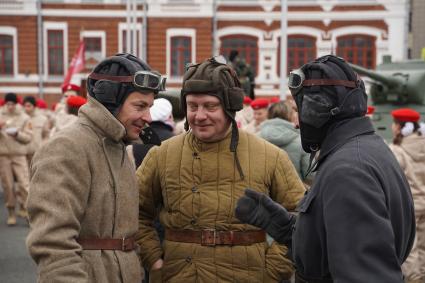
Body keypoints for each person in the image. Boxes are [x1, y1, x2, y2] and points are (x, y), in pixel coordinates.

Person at [235, 55, 415, 283]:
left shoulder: (347, 172)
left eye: (300, 109)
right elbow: (338, 248)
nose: (298, 122)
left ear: (317, 110)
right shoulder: (366, 149)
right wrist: (289, 230)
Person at [136, 56, 305, 282]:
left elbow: (301, 219)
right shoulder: (162, 155)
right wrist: (155, 262)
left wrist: (272, 271)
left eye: (210, 106)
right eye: (192, 106)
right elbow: (135, 212)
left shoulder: (270, 156)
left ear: (230, 107)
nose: (200, 115)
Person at [26, 53, 166, 282]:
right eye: (140, 106)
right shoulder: (67, 147)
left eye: (149, 107)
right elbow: (52, 244)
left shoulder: (119, 147)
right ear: (111, 101)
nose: (148, 117)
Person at [389, 108, 425, 283]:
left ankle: (414, 279)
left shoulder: (397, 150)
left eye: (394, 124)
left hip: (411, 204)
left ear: (399, 126)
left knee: (411, 248)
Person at [0, 92, 33, 226]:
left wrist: (17, 134)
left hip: (19, 154)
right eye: (8, 104)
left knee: (24, 184)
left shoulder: (24, 117)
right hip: (4, 155)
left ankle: (28, 212)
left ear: (16, 104)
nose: (10, 106)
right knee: (7, 185)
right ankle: (11, 212)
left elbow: (28, 138)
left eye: (12, 104)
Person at [259, 101, 310, 181]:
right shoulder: (301, 141)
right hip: (294, 190)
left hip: (261, 190)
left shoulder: (256, 137)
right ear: (290, 116)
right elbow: (310, 175)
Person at [23, 95, 50, 164]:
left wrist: (42, 146)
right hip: (23, 153)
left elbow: (46, 135)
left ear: (34, 106)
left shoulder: (42, 119)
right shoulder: (21, 118)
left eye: (29, 106)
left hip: (37, 153)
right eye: (25, 106)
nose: (26, 108)